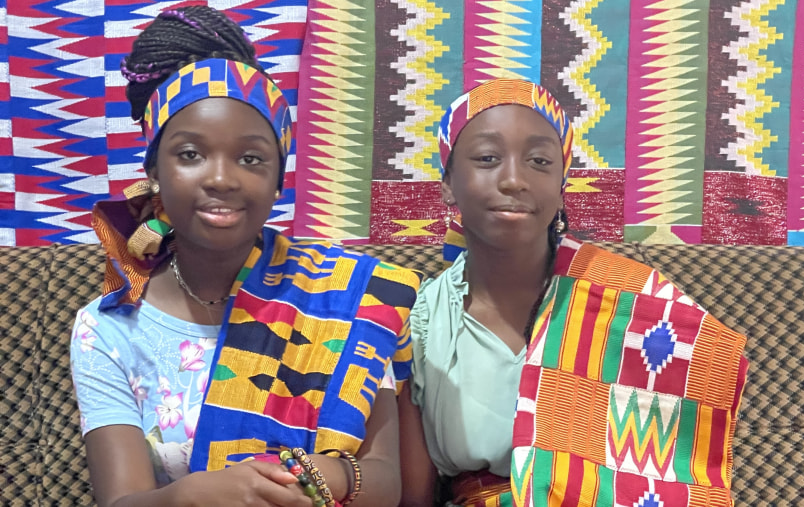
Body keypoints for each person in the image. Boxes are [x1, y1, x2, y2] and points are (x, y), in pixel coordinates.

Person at [70, 6, 419, 507]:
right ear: (154, 169)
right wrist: (199, 495)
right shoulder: (109, 329)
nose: (221, 178)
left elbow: (386, 481)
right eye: (190, 154)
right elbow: (120, 501)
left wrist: (326, 478)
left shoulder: (349, 297)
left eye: (251, 158)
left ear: (279, 178)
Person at [398, 79, 749, 507]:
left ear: (562, 182)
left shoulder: (632, 305)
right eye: (488, 158)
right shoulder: (419, 322)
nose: (513, 180)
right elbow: (413, 495)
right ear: (448, 182)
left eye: (539, 161)